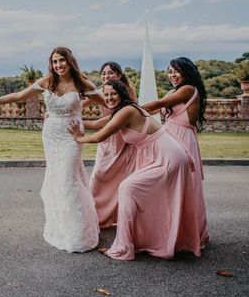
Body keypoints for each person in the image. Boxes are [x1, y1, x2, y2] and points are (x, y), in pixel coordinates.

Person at [0, 47, 103, 253]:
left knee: (69, 178)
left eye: (61, 61)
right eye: (54, 62)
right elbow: (17, 96)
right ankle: (60, 228)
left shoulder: (83, 84)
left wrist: (93, 121)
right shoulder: (46, 82)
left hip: (71, 136)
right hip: (50, 135)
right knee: (56, 178)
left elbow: (110, 104)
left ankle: (79, 232)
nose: (58, 65)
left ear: (70, 61)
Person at [70, 79, 202, 260]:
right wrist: (72, 121)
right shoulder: (123, 111)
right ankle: (148, 238)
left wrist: (78, 138)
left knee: (128, 187)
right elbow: (97, 124)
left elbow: (100, 136)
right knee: (145, 195)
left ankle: (126, 243)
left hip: (168, 157)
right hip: (163, 155)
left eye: (113, 94)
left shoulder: (127, 111)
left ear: (122, 94)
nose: (109, 97)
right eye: (106, 94)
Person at [141, 57, 209, 246]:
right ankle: (169, 231)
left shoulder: (188, 89)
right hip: (169, 137)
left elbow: (155, 105)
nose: (172, 75)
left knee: (184, 187)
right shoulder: (174, 91)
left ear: (186, 72)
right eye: (170, 71)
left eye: (176, 71)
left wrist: (130, 111)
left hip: (182, 138)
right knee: (168, 186)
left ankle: (185, 236)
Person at [84, 61, 137, 228]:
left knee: (121, 179)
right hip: (107, 140)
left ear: (119, 75)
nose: (106, 76)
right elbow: (80, 104)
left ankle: (117, 216)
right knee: (98, 177)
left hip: (122, 138)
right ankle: (95, 217)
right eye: (104, 73)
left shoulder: (128, 91)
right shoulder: (101, 92)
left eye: (110, 73)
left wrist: (90, 126)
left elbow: (128, 112)